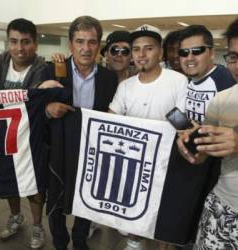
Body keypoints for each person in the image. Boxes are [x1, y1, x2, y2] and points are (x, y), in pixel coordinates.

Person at [0, 18, 53, 249]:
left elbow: (32, 101)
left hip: (30, 138)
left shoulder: (42, 68)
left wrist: (1, 99)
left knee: (34, 186)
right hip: (3, 136)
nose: (19, 48)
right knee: (9, 181)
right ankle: (16, 216)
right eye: (14, 42)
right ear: (7, 42)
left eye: (25, 42)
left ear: (34, 44)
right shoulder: (0, 62)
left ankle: (37, 226)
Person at [109, 24, 188, 250]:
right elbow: (111, 118)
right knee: (135, 206)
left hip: (166, 161)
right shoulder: (126, 86)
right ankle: (134, 241)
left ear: (160, 52)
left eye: (148, 48)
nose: (141, 55)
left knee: (164, 213)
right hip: (134, 162)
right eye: (136, 49)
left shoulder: (177, 81)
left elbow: (180, 121)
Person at [43, 15, 118, 250]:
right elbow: (33, 109)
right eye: (80, 41)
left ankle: (79, 239)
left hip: (92, 148)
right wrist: (47, 109)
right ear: (70, 44)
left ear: (99, 45)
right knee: (55, 196)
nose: (86, 48)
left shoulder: (108, 78)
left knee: (87, 196)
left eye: (92, 42)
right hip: (58, 147)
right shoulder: (52, 70)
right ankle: (59, 241)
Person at [177, 18, 238, 250]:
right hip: (222, 206)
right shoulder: (221, 101)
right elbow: (203, 149)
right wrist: (192, 147)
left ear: (210, 53)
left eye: (197, 51)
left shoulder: (219, 80)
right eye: (234, 57)